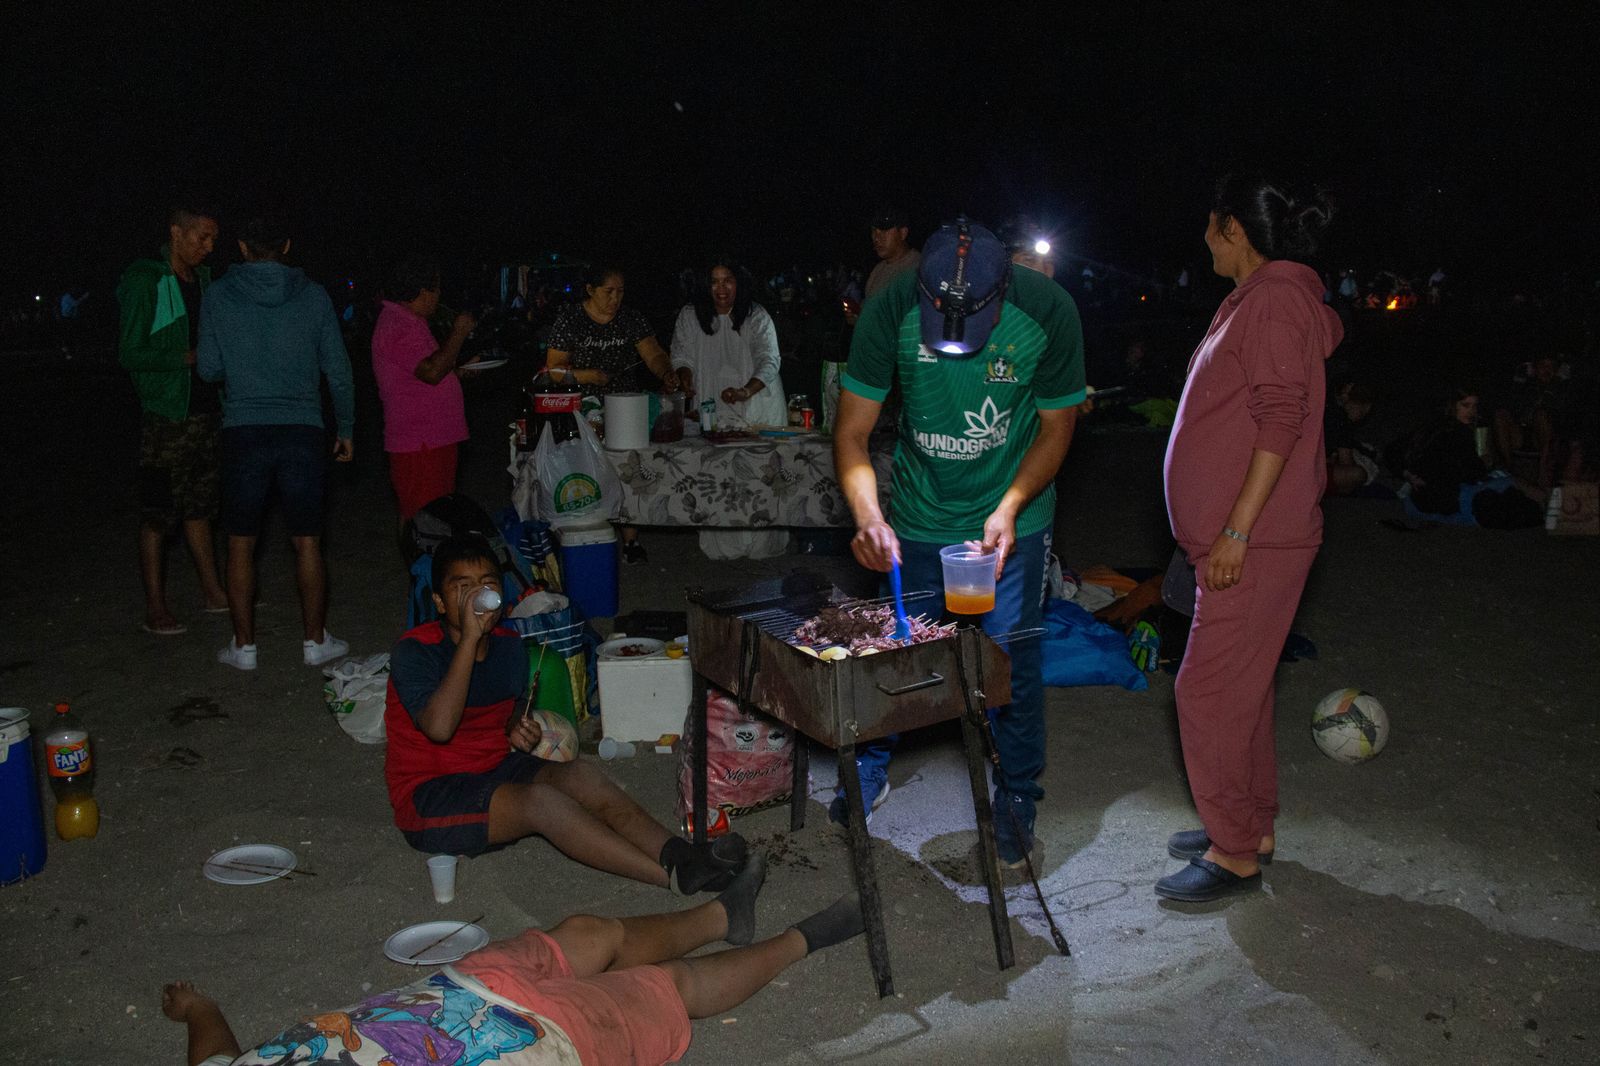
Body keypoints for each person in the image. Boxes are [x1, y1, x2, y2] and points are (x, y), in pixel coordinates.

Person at [833, 218, 1086, 866]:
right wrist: (869, 516)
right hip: (920, 511)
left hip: (1011, 513)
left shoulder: (1048, 310)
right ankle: (870, 768)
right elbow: (852, 433)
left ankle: (1017, 794)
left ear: (1002, 293)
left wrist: (1010, 505)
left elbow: (1056, 430)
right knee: (900, 648)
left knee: (1009, 659)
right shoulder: (889, 307)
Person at [161, 870, 868, 1066]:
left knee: (589, 934)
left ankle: (720, 916)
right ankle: (801, 940)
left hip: (453, 988)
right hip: (536, 1041)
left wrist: (200, 1010)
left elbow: (216, 1057)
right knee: (669, 986)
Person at [1159, 173, 1342, 903]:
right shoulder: (1261, 298)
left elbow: (1280, 419)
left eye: (1210, 225)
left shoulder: (1273, 301)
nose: (1204, 238)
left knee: (1204, 692)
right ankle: (1247, 825)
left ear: (1232, 227)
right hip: (1245, 540)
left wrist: (1236, 528)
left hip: (1256, 543)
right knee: (1244, 691)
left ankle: (1233, 853)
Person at [386, 534, 748, 891]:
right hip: (431, 794)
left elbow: (509, 707)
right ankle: (670, 878)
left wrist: (515, 725)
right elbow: (439, 728)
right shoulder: (416, 651)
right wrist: (468, 639)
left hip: (494, 770)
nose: (476, 597)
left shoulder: (509, 648)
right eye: (462, 587)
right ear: (439, 601)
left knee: (579, 775)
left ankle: (682, 856)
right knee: (543, 803)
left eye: (486, 584)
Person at [197, 215, 355, 671]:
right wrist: (345, 428)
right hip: (303, 430)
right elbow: (338, 370)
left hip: (243, 430)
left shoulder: (218, 295)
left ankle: (244, 647)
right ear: (286, 246)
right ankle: (315, 641)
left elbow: (208, 368)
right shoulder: (314, 295)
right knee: (307, 541)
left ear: (242, 247)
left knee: (240, 543)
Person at [117, 206, 230, 635]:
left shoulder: (204, 280)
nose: (209, 246)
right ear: (176, 232)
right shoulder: (145, 279)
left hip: (204, 412)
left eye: (213, 238)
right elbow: (130, 352)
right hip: (165, 416)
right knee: (157, 514)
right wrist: (184, 357)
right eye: (202, 237)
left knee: (200, 509)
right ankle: (155, 606)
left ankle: (213, 592)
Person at [545, 264, 677, 563]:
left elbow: (653, 354)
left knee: (629, 468)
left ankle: (630, 540)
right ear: (590, 290)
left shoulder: (631, 318)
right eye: (609, 291)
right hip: (582, 407)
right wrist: (588, 375)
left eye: (621, 292)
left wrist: (665, 373)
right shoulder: (571, 319)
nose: (615, 298)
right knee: (589, 471)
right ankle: (588, 538)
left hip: (624, 405)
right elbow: (554, 370)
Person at [671, 258, 789, 559]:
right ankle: (722, 545)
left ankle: (762, 544)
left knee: (758, 477)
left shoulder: (756, 315)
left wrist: (744, 391)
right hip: (713, 404)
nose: (721, 288)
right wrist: (685, 379)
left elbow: (769, 360)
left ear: (739, 283)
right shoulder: (690, 315)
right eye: (714, 281)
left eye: (728, 280)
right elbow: (681, 355)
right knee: (717, 477)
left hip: (756, 405)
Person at [371, 256, 478, 525]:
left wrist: (457, 373)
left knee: (432, 515)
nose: (439, 295)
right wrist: (459, 332)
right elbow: (431, 372)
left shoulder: (409, 322)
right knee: (423, 518)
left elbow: (422, 372)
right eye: (437, 288)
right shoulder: (398, 324)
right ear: (423, 291)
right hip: (420, 442)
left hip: (431, 439)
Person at [1323, 381, 1380, 496]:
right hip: (1306, 470)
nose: (1362, 417)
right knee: (1358, 474)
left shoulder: (1327, 403)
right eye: (1363, 412)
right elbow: (1346, 462)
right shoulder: (1342, 421)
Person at [863, 206, 921, 299]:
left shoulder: (918, 268)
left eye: (884, 231)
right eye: (874, 231)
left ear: (903, 233)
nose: (876, 238)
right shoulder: (877, 271)